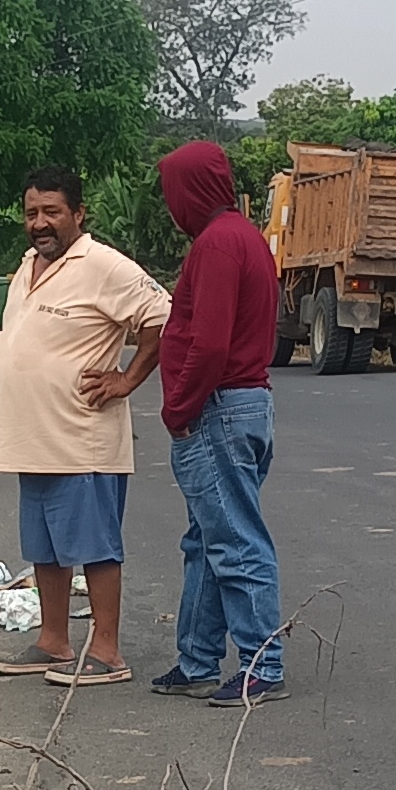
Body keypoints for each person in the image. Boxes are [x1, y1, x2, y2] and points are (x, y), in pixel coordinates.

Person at [0, 167, 170, 682]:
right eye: (31, 213)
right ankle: (54, 641)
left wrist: (127, 379)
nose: (39, 223)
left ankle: (106, 652)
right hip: (32, 440)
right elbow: (11, 344)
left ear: (78, 214)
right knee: (44, 548)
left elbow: (162, 317)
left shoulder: (103, 265)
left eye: (51, 212)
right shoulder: (27, 267)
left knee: (95, 547)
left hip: (81, 438)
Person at [153, 142, 285, 701]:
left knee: (233, 540)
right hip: (244, 403)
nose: (170, 206)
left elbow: (208, 344)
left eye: (171, 193)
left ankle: (263, 665)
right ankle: (198, 659)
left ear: (189, 191)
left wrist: (178, 409)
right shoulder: (244, 237)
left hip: (217, 408)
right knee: (207, 540)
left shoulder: (215, 245)